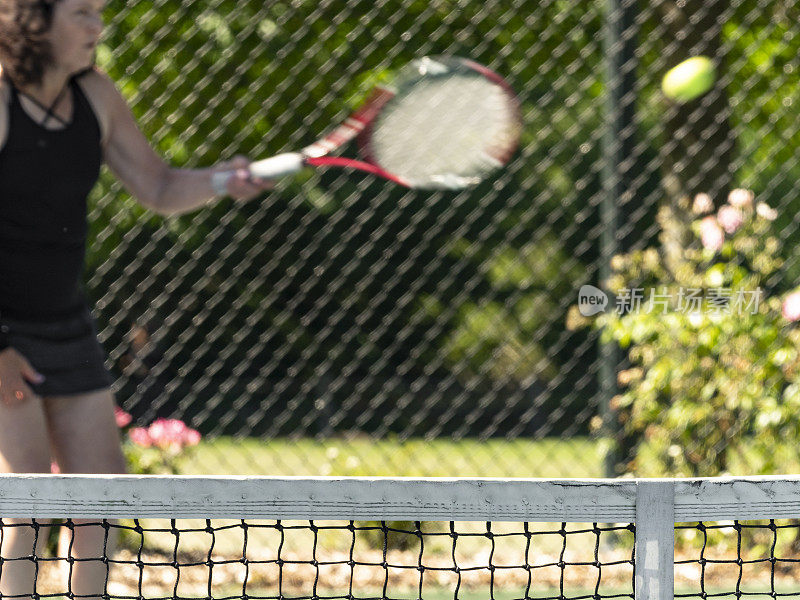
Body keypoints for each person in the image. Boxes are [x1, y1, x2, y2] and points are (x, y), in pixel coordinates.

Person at [0, 0, 271, 597]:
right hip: (4, 332)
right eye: (82, 13)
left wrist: (226, 179)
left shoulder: (97, 95)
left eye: (99, 12)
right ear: (33, 21)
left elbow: (158, 185)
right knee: (30, 504)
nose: (97, 27)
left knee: (100, 501)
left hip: (66, 325)